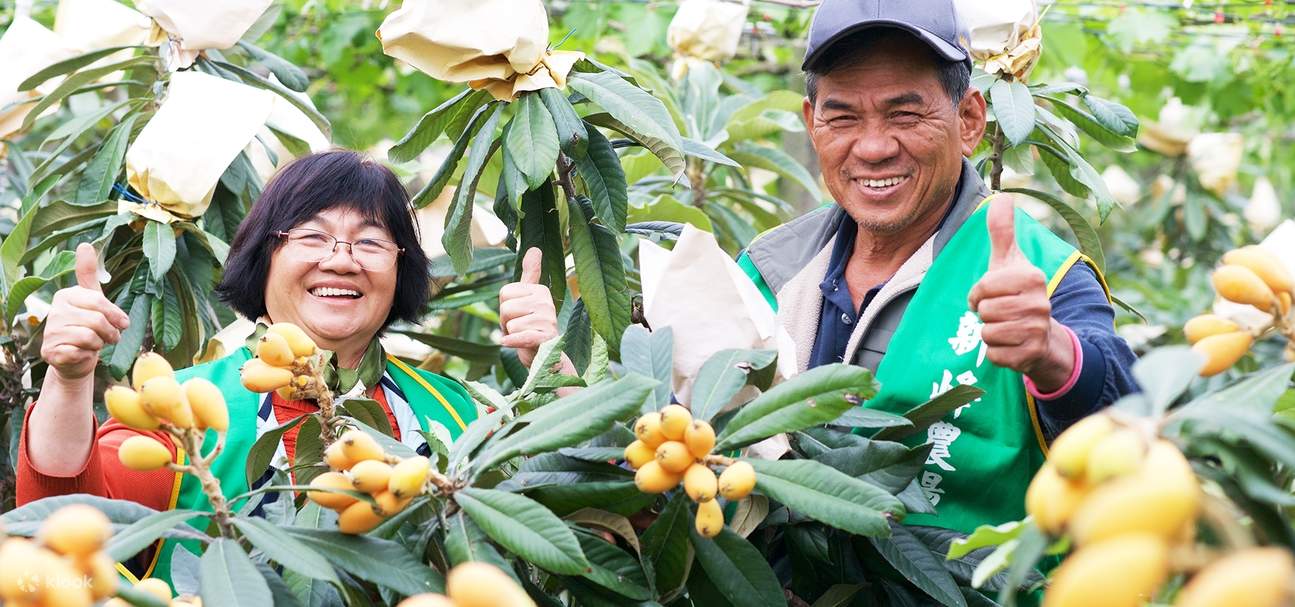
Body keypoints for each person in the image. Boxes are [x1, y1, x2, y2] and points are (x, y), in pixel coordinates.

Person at [17, 150, 562, 582]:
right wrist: (69, 380)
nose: (341, 258)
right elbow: (65, 526)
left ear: (402, 269)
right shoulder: (180, 407)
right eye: (312, 236)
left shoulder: (449, 409)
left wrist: (552, 368)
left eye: (371, 241)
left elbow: (579, 514)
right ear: (264, 256)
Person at [736, 0, 1138, 534]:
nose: (874, 147)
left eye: (905, 115)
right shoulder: (768, 268)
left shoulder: (1044, 273)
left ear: (969, 120)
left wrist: (1053, 354)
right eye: (843, 117)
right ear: (813, 125)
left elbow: (1128, 431)